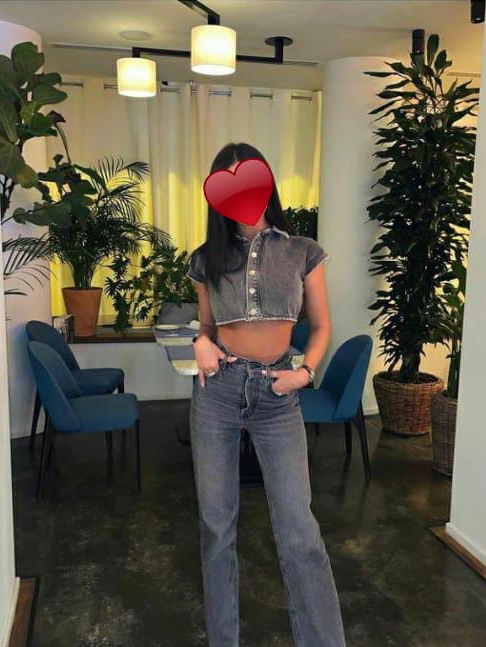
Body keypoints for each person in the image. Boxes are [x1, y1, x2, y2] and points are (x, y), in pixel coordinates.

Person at [187, 142, 346, 647]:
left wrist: (306, 372)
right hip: (218, 391)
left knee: (300, 529)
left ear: (266, 183)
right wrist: (200, 343)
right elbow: (206, 328)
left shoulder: (303, 251)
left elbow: (321, 326)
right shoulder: (206, 258)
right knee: (216, 528)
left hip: (278, 393)